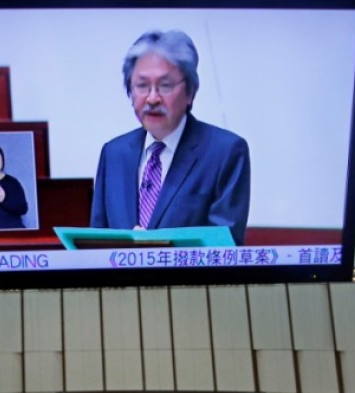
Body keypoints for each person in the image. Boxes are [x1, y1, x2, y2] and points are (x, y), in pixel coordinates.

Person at [90, 30, 250, 245]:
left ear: (190, 91)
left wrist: (154, 250)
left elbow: (223, 248)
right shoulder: (113, 153)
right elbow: (96, 244)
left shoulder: (226, 151)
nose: (153, 98)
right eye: (142, 85)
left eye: (165, 85)